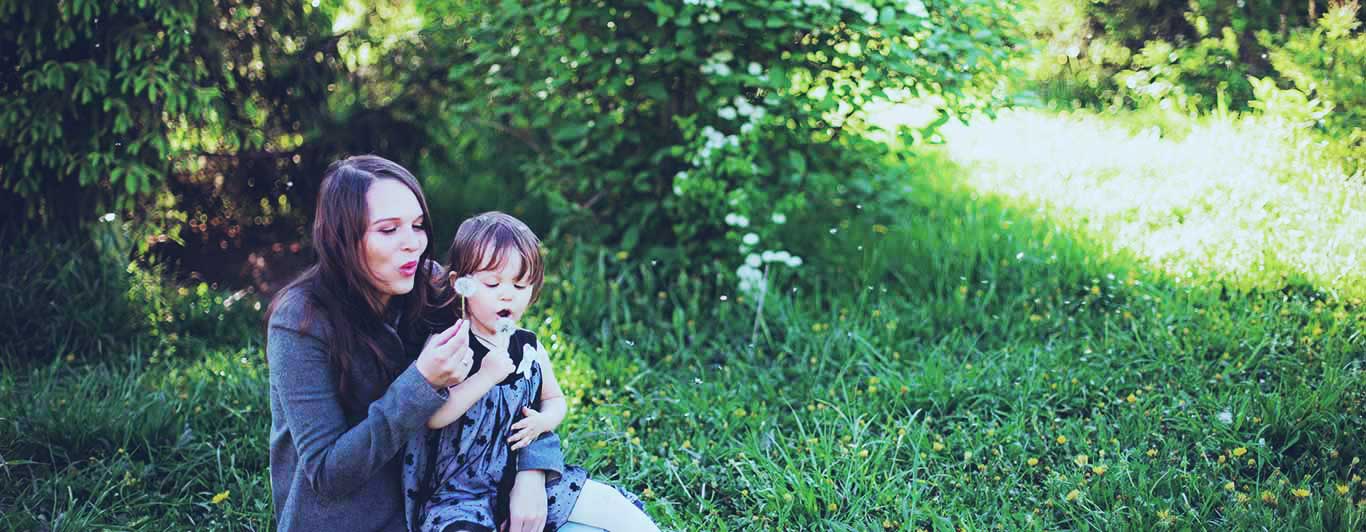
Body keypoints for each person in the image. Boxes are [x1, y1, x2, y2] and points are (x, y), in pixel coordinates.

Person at [265, 156, 530, 531]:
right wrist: (421, 382)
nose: (413, 244)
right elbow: (327, 474)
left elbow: (519, 372)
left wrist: (532, 472)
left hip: (451, 501)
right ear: (342, 238)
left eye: (418, 225)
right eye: (389, 230)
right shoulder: (300, 321)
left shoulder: (432, 286)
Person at [405, 211, 659, 532]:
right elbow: (433, 416)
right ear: (461, 285)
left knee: (609, 505)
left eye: (521, 284)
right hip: (462, 492)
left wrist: (543, 420)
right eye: (493, 283)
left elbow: (555, 399)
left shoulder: (528, 346)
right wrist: (484, 377)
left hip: (520, 479)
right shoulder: (450, 342)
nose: (507, 293)